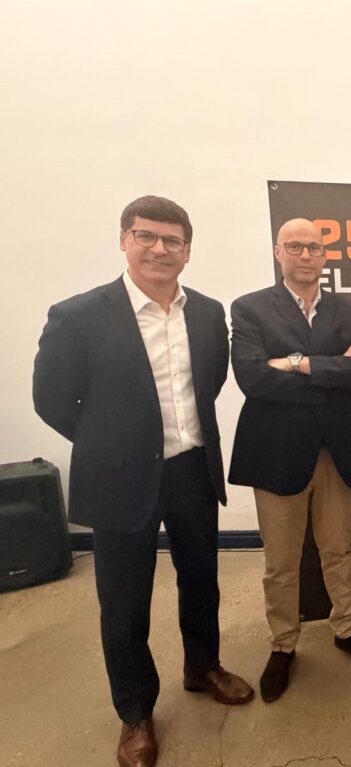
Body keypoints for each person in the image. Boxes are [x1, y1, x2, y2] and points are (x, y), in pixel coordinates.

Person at [33, 195, 253, 767]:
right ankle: (135, 711)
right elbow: (51, 399)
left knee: (201, 581)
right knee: (124, 602)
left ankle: (203, 667)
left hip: (192, 469)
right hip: (120, 477)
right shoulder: (79, 315)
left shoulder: (207, 313)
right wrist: (111, 444)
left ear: (187, 250)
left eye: (172, 240)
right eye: (146, 236)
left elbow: (209, 383)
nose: (159, 248)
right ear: (124, 240)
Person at [229, 218, 351, 703]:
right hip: (277, 456)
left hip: (339, 452)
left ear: (325, 255)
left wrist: (296, 363)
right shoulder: (250, 308)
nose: (305, 255)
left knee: (338, 550)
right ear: (279, 251)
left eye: (314, 247)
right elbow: (254, 379)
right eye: (294, 246)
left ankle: (346, 629)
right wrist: (335, 368)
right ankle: (283, 644)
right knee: (280, 562)